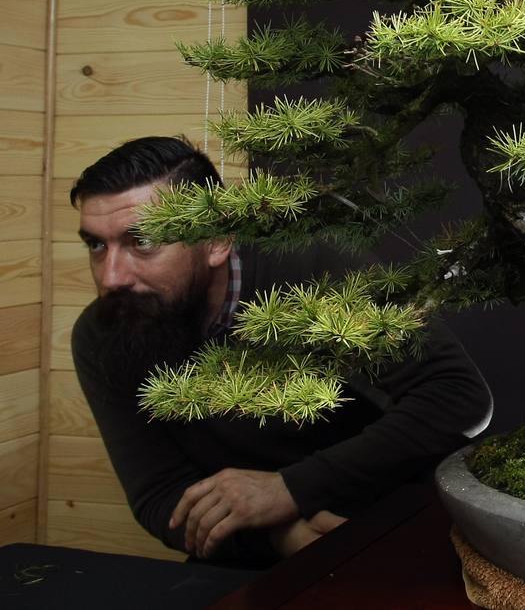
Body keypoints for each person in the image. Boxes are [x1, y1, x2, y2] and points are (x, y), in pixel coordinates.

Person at [71, 136, 493, 566]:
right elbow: (160, 493)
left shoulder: (312, 273)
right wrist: (281, 536)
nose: (111, 278)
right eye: (96, 245)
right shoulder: (104, 333)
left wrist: (290, 489)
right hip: (251, 547)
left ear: (216, 240)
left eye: (142, 241)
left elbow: (457, 396)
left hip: (385, 525)